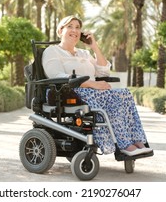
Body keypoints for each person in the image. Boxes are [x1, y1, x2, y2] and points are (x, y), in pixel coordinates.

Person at [42, 15, 153, 156]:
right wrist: (92, 84)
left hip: (91, 91)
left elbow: (103, 70)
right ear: (60, 31)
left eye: (77, 27)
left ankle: (136, 141)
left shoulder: (83, 53)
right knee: (112, 98)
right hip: (67, 92)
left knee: (123, 93)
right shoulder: (52, 51)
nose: (74, 30)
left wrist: (94, 46)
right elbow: (56, 75)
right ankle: (124, 145)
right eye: (69, 26)